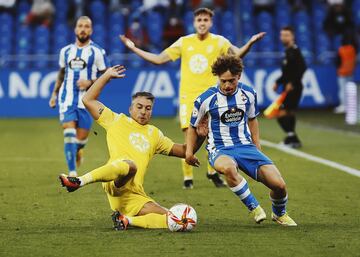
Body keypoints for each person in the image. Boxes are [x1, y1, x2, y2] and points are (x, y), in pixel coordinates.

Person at [119, 7, 265, 189]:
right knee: (190, 134)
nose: (202, 23)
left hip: (213, 97)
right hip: (188, 97)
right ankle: (188, 178)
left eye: (205, 20)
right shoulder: (184, 42)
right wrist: (133, 48)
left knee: (213, 134)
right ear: (194, 23)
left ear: (210, 23)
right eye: (199, 20)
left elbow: (237, 54)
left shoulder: (219, 41)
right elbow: (158, 59)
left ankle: (212, 172)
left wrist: (250, 43)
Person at [59, 65, 204, 230]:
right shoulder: (116, 120)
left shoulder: (155, 134)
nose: (143, 112)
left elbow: (186, 151)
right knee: (130, 165)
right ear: (130, 109)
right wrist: (106, 76)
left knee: (173, 219)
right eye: (139, 107)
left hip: (134, 195)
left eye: (148, 108)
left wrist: (200, 135)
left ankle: (126, 220)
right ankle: (78, 181)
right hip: (115, 181)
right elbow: (88, 100)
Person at [185, 54, 297, 226]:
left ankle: (279, 214)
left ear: (239, 76)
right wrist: (189, 153)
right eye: (223, 81)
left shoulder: (249, 94)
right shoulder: (205, 99)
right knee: (229, 168)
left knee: (279, 186)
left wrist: (257, 146)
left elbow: (252, 119)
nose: (228, 85)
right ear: (218, 78)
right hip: (220, 149)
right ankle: (255, 208)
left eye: (232, 80)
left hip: (246, 147)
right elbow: (193, 127)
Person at [49, 16, 110, 177]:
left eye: (87, 26)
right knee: (69, 133)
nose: (83, 29)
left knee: (80, 140)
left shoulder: (97, 52)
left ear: (91, 30)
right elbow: (61, 73)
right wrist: (54, 94)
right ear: (75, 29)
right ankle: (73, 172)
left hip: (87, 101)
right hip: (66, 98)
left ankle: (79, 150)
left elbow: (107, 75)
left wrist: (89, 81)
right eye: (80, 26)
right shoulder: (66, 51)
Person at [273, 26, 306, 148]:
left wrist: (292, 82)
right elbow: (287, 72)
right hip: (290, 86)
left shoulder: (294, 51)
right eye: (282, 35)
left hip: (294, 87)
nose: (283, 37)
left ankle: (292, 137)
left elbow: (302, 68)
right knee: (289, 113)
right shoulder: (288, 51)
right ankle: (292, 139)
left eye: (286, 35)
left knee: (280, 113)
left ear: (292, 37)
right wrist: (278, 81)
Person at [334, 33, 357, 114]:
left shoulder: (341, 50)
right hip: (350, 72)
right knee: (350, 90)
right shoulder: (352, 49)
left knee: (343, 90)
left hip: (342, 73)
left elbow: (337, 61)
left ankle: (343, 106)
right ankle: (352, 107)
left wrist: (338, 68)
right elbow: (355, 60)